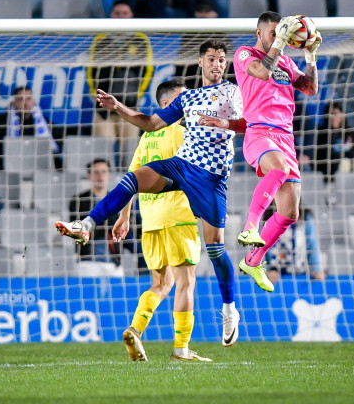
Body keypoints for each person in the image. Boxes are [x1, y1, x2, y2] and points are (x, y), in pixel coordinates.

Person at [55, 39, 244, 346]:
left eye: (222, 59)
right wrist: (118, 108)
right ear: (200, 62)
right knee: (133, 178)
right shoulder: (189, 99)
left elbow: (247, 124)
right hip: (182, 166)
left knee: (216, 250)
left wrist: (222, 122)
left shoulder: (233, 92)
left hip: (210, 179)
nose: (217, 64)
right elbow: (151, 123)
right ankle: (85, 225)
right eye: (212, 58)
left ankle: (229, 308)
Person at [199, 13, 320, 293]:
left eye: (284, 32)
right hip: (259, 132)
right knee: (278, 169)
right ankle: (250, 226)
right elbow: (263, 71)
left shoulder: (288, 62)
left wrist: (311, 55)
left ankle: (254, 260)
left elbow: (310, 88)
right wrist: (280, 41)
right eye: (275, 32)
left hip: (286, 137)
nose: (281, 36)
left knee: (290, 213)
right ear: (259, 32)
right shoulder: (244, 54)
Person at [110, 78, 210, 362]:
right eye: (181, 101)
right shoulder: (182, 134)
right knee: (186, 282)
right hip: (178, 217)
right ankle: (181, 348)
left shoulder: (146, 138)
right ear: (167, 105)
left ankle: (135, 329)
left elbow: (131, 179)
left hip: (150, 220)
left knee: (161, 283)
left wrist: (124, 216)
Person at [86, 8, 152, 142]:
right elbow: (91, 70)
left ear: (131, 15)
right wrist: (96, 95)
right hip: (103, 106)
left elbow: (148, 71)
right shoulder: (101, 39)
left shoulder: (140, 39)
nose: (120, 16)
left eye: (124, 13)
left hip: (129, 105)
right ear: (110, 15)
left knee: (130, 150)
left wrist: (137, 95)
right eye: (117, 13)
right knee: (104, 148)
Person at [0, 85, 63, 170]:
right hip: (9, 167)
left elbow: (56, 145)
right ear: (14, 102)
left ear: (33, 102)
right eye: (21, 99)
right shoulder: (1, 122)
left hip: (39, 167)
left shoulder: (44, 123)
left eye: (28, 99)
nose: (26, 103)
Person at [68, 159, 119, 264]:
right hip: (87, 262)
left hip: (114, 262)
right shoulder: (78, 201)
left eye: (104, 172)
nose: (100, 175)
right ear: (89, 176)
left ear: (109, 175)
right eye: (96, 172)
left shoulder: (119, 200)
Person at [262, 205, 327, 285]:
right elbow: (261, 250)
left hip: (300, 274)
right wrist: (268, 270)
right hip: (275, 276)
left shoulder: (305, 217)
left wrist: (317, 269)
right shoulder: (267, 217)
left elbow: (312, 245)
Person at [313, 100, 354, 181]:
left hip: (348, 168)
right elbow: (322, 154)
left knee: (351, 162)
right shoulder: (320, 132)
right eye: (331, 114)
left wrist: (342, 155)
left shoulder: (351, 133)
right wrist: (333, 131)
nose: (333, 117)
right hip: (328, 169)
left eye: (336, 114)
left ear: (342, 115)